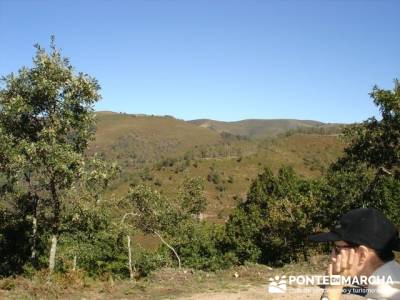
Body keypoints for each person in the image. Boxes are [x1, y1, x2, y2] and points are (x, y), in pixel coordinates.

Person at [309, 208, 400, 300]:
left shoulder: (386, 295)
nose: (332, 257)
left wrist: (333, 290)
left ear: (362, 255)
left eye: (337, 249)